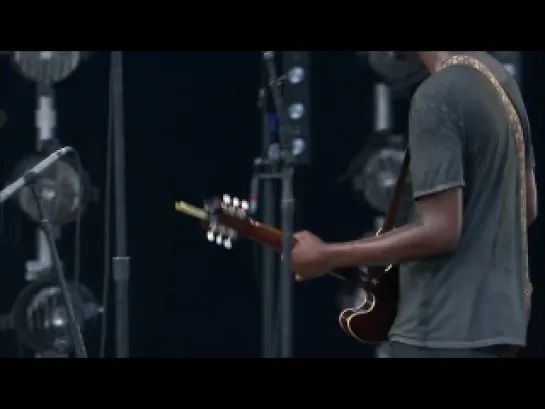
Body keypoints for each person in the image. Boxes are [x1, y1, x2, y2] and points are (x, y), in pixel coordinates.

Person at [290, 51, 538, 358]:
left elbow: (440, 231)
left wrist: (328, 255)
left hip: (437, 333)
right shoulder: (500, 80)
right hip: (498, 330)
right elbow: (525, 208)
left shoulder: (436, 97)